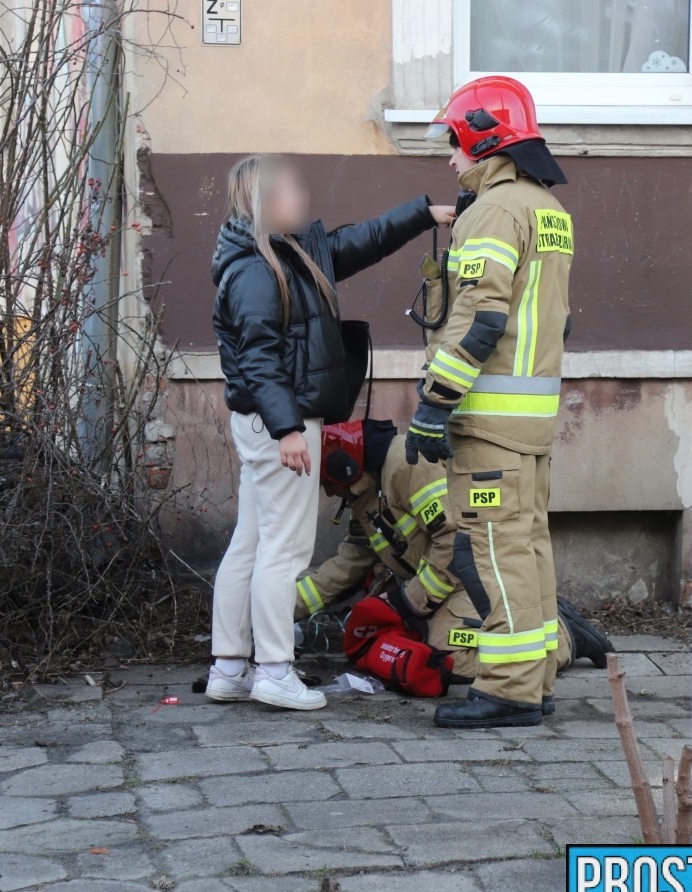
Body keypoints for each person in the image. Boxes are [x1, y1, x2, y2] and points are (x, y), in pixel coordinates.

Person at [205, 154, 454, 711]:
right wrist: (289, 429)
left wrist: (424, 215)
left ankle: (228, 667)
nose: (304, 197)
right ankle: (272, 670)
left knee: (249, 541)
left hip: (268, 422)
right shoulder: (256, 269)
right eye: (292, 190)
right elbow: (259, 358)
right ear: (264, 203)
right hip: (280, 423)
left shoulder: (288, 254)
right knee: (283, 549)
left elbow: (359, 243)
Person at [403, 76, 575, 728]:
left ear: (482, 139)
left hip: (490, 423)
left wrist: (432, 403)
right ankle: (531, 679)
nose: (449, 159)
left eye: (453, 144)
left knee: (488, 552)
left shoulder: (494, 211)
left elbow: (479, 320)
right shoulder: (546, 209)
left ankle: (506, 689)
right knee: (526, 548)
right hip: (528, 420)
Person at [293, 419, 614, 680]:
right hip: (441, 589)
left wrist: (409, 601)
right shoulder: (365, 496)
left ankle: (562, 638)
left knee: (448, 657)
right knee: (412, 649)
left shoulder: (408, 467)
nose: (325, 490)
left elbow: (454, 541)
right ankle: (528, 616)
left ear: (343, 467)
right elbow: (343, 568)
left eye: (324, 481)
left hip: (471, 578)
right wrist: (275, 616)